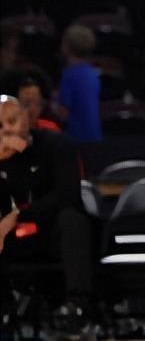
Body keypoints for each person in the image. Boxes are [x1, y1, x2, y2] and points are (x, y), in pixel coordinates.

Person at [0, 94, 96, 337]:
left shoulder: (57, 144)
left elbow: (68, 195)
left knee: (72, 219)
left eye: (12, 121)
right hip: (11, 239)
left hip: (51, 235)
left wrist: (19, 215)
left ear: (27, 119)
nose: (6, 130)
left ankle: (77, 306)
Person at [59, 24, 101, 142]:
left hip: (76, 137)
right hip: (95, 136)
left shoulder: (69, 74)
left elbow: (63, 113)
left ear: (66, 46)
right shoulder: (93, 74)